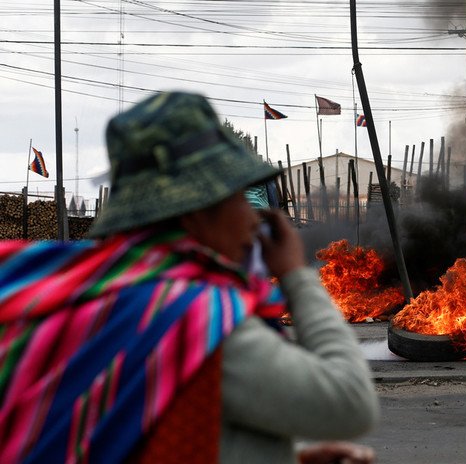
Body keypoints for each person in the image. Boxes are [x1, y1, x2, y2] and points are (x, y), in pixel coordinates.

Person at [0, 92, 379, 463]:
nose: (254, 218)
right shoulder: (193, 317)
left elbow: (136, 432)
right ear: (197, 211)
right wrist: (296, 275)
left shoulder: (104, 293)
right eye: (239, 196)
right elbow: (349, 403)